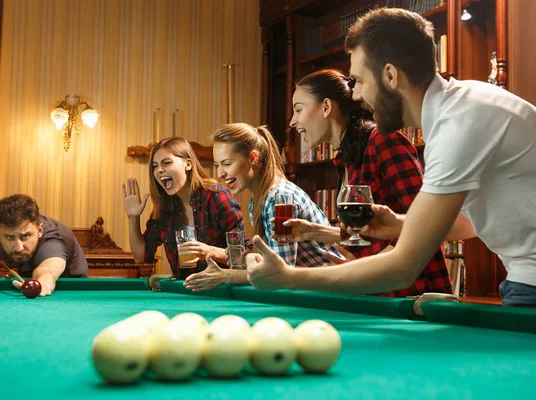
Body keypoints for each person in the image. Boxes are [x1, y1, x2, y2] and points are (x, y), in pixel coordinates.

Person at [246, 7, 536, 307]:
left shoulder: (458, 123)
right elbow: (470, 222)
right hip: (522, 279)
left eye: (358, 80)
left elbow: (403, 267)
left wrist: (287, 278)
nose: (355, 95)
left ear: (390, 76)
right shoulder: (460, 106)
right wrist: (400, 223)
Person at [285, 68, 452, 297]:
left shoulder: (384, 140)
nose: (293, 121)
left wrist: (355, 271)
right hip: (376, 294)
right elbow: (370, 230)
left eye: (298, 110)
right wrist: (315, 232)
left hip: (413, 296)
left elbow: (424, 225)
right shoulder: (345, 160)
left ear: (326, 107)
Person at [186, 123, 345, 292]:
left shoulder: (278, 198)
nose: (220, 174)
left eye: (227, 163)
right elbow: (270, 262)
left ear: (253, 158)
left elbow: (277, 273)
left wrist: (225, 275)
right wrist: (214, 252)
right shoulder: (258, 200)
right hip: (315, 291)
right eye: (218, 165)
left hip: (334, 294)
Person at [122, 136, 249, 286]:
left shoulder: (217, 197)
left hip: (220, 292)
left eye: (167, 162)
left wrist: (209, 252)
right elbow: (140, 256)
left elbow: (244, 256)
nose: (159, 170)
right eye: (154, 166)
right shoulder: (165, 209)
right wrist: (132, 217)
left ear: (188, 164)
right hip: (186, 294)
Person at [0, 193, 88, 296]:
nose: (19, 248)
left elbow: (47, 270)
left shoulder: (52, 241)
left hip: (69, 288)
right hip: (28, 276)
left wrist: (43, 282)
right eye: (9, 237)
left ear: (40, 230)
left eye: (25, 236)